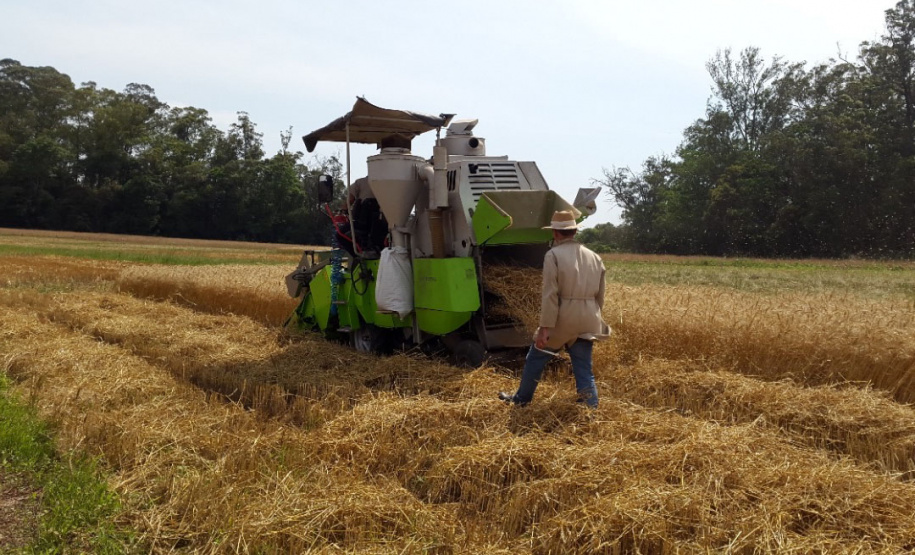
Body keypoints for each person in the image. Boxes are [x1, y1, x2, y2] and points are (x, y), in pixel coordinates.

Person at [499, 210, 610, 408]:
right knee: (584, 368)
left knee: (535, 357)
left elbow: (550, 294)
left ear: (556, 233)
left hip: (563, 317)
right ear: (574, 232)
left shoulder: (553, 255)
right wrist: (594, 319)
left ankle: (521, 400)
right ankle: (591, 410)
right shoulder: (595, 257)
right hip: (589, 317)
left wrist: (544, 328)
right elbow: (600, 296)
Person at [347, 177, 387, 256]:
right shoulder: (389, 182)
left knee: (340, 234)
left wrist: (342, 210)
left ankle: (357, 257)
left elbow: (349, 200)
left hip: (363, 226)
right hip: (386, 225)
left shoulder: (361, 182)